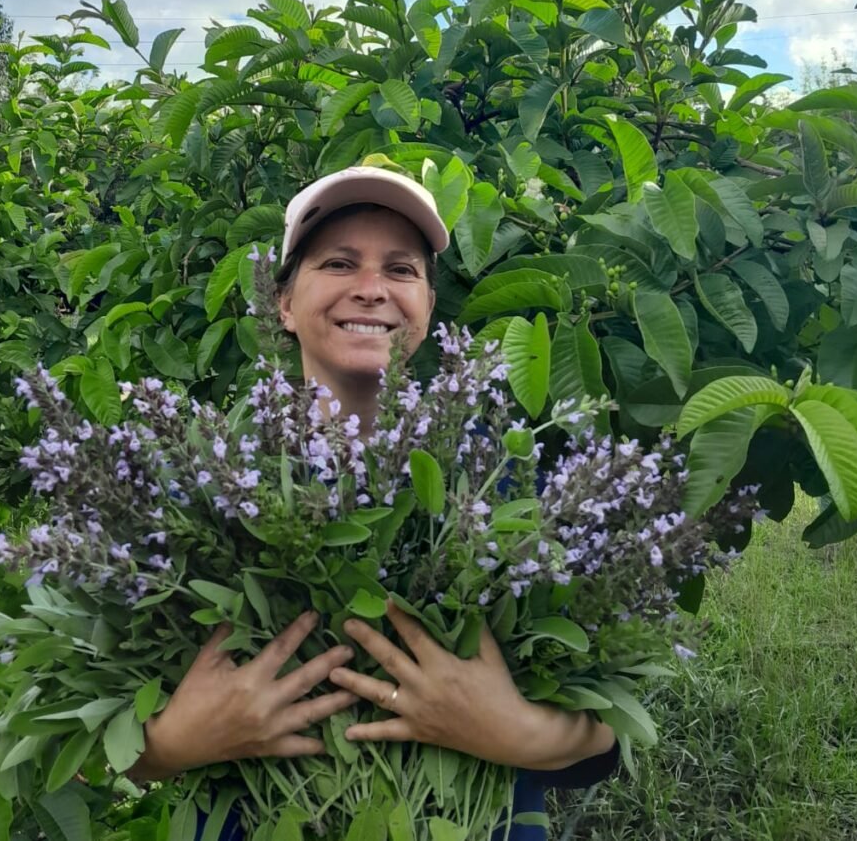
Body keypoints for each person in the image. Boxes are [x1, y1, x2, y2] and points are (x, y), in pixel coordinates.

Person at [130, 167, 620, 837]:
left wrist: (514, 731)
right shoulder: (208, 474)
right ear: (281, 304)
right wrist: (174, 743)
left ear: (428, 305)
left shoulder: (493, 471)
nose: (372, 288)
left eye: (402, 269)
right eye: (338, 263)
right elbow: (89, 748)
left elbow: (607, 735)